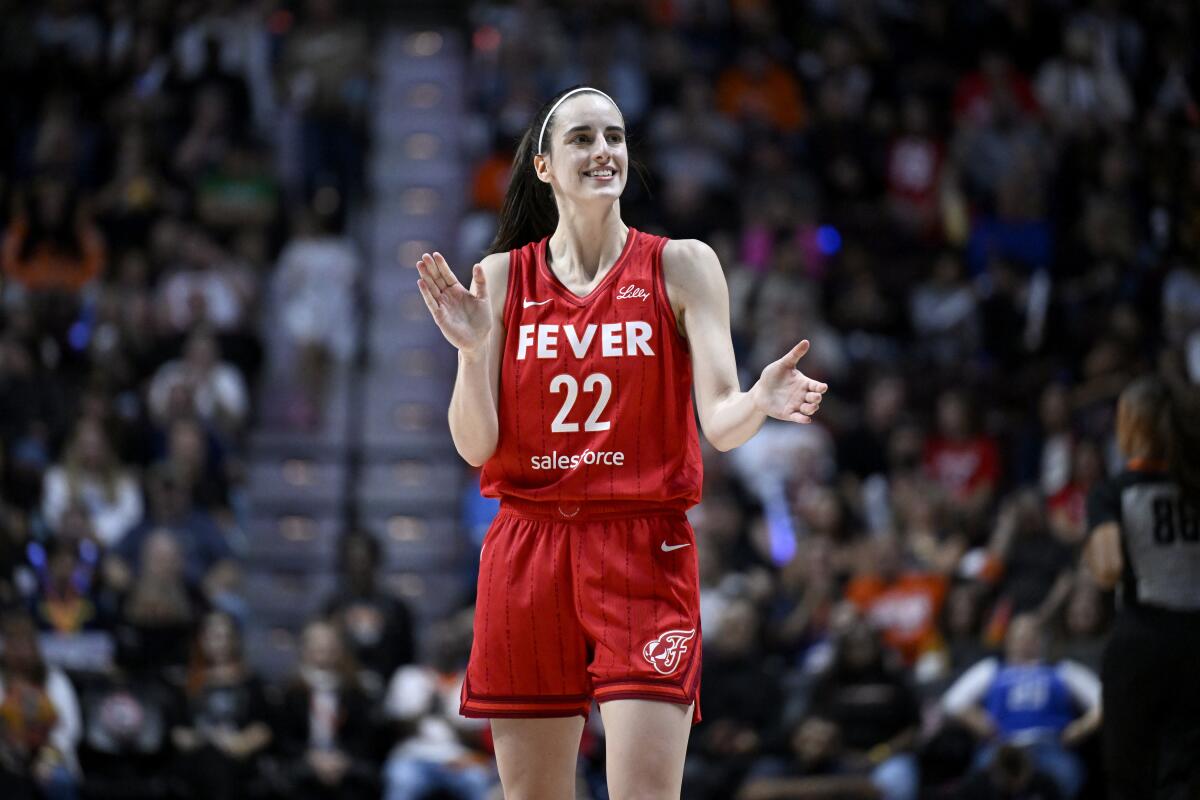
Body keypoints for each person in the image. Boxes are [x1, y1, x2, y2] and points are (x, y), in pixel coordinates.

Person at [413, 85, 829, 798]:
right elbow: (477, 447)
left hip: (642, 546)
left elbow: (721, 422)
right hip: (528, 548)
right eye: (581, 139)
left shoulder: (683, 264)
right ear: (543, 165)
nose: (603, 151)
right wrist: (471, 350)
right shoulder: (502, 278)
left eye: (614, 137)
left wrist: (758, 400)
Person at [1084, 373, 1200, 799]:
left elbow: (1108, 569)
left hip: (1143, 640)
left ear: (1130, 423)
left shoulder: (1115, 491)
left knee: (1129, 779)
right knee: (1183, 778)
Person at [941, 614, 1100, 799]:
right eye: (1019, 636)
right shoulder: (992, 669)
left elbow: (1104, 699)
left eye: (1032, 635)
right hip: (1002, 747)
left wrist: (1081, 727)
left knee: (1061, 778)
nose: (1025, 641)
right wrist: (976, 719)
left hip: (1049, 747)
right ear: (1008, 641)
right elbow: (951, 701)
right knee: (982, 782)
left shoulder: (1061, 670)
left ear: (1043, 640)